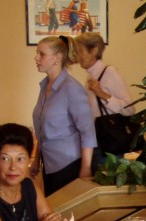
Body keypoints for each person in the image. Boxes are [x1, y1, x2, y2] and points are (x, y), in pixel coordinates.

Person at [33, 35, 97, 196]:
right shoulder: (45, 86)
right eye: (37, 53)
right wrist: (36, 160)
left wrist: (86, 169)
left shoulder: (71, 88)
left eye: (42, 54)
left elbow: (88, 132)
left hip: (69, 166)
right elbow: (43, 129)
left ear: (57, 57)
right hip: (49, 165)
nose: (36, 58)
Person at [74, 32, 136, 169]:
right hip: (96, 143)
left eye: (80, 51)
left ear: (94, 50)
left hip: (110, 145)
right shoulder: (90, 77)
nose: (77, 57)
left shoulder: (109, 72)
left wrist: (102, 94)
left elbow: (130, 108)